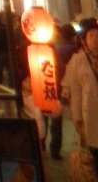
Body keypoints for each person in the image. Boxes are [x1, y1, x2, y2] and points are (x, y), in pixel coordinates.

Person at [62, 19, 98, 175]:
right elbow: (75, 91)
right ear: (84, 39)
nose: (95, 39)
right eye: (91, 36)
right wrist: (76, 116)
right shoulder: (78, 60)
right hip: (90, 111)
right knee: (95, 151)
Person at [50, 23, 78, 159]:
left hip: (57, 85)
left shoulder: (57, 49)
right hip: (73, 87)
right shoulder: (75, 49)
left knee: (56, 119)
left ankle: (54, 149)